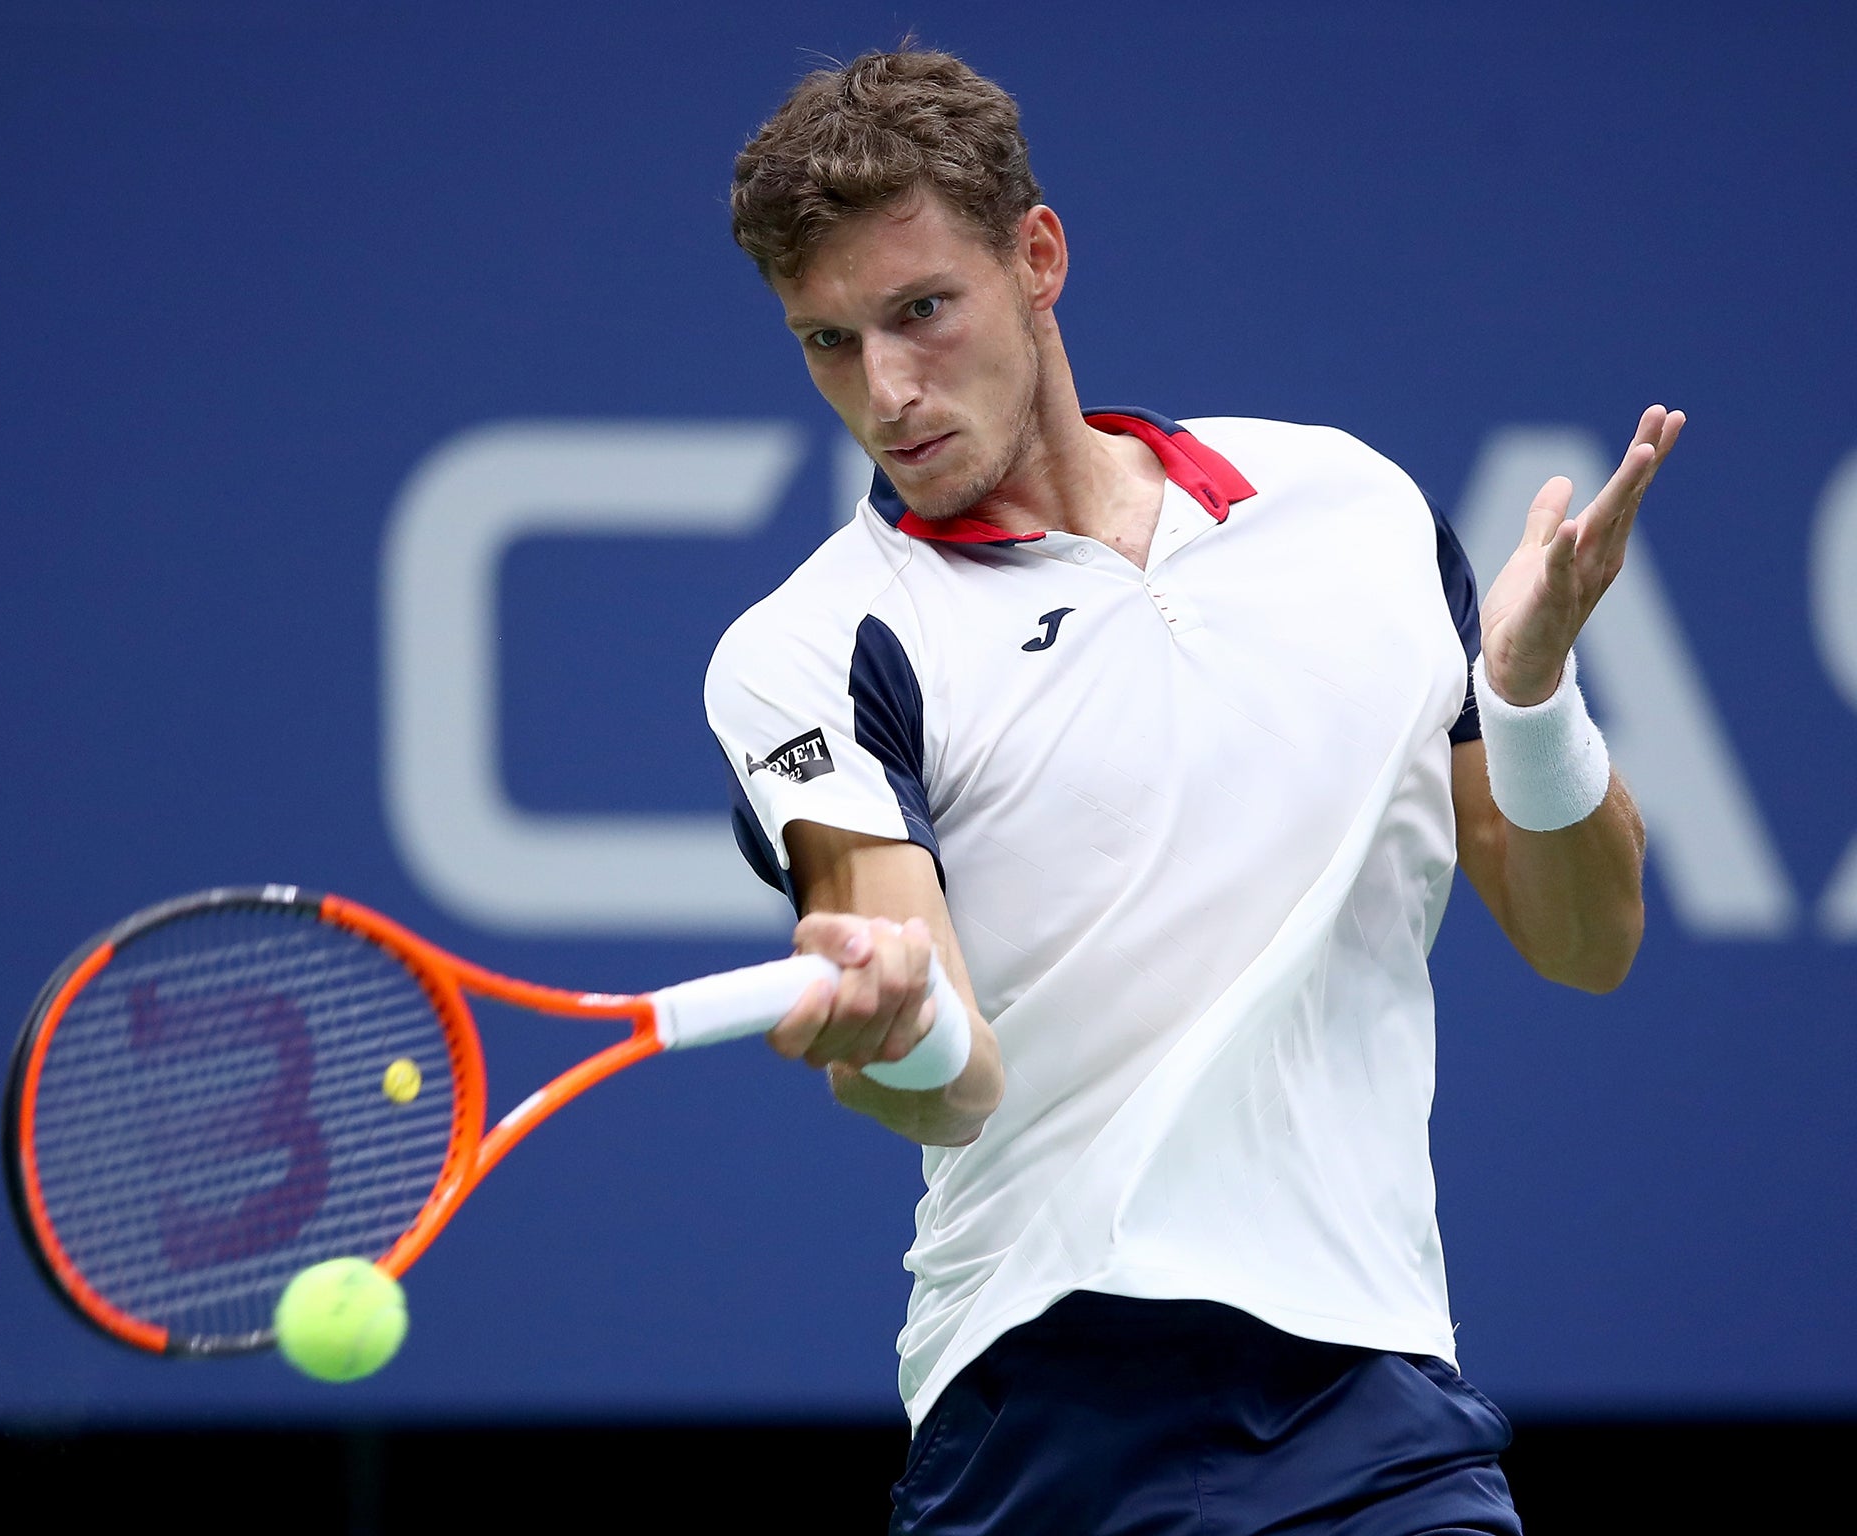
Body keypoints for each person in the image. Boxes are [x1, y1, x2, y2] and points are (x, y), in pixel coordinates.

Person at [705, 47, 1676, 1535]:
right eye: (828, 343)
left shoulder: (1349, 508)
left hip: (1374, 1402)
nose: (887, 389)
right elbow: (950, 1080)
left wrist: (1531, 693)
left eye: (920, 312)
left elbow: (1586, 940)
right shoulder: (810, 646)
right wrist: (891, 1025)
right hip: (1039, 1413)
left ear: (1039, 257)